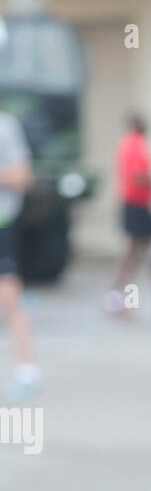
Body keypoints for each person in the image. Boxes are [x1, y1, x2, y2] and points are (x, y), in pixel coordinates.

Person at [0, 108, 41, 402]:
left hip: (3, 224)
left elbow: (22, 176)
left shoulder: (6, 127)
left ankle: (26, 368)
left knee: (10, 297)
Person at [104, 113, 151, 316]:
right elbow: (138, 175)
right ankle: (119, 297)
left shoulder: (130, 143)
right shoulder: (134, 144)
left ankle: (123, 298)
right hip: (137, 204)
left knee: (137, 252)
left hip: (136, 203)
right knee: (135, 252)